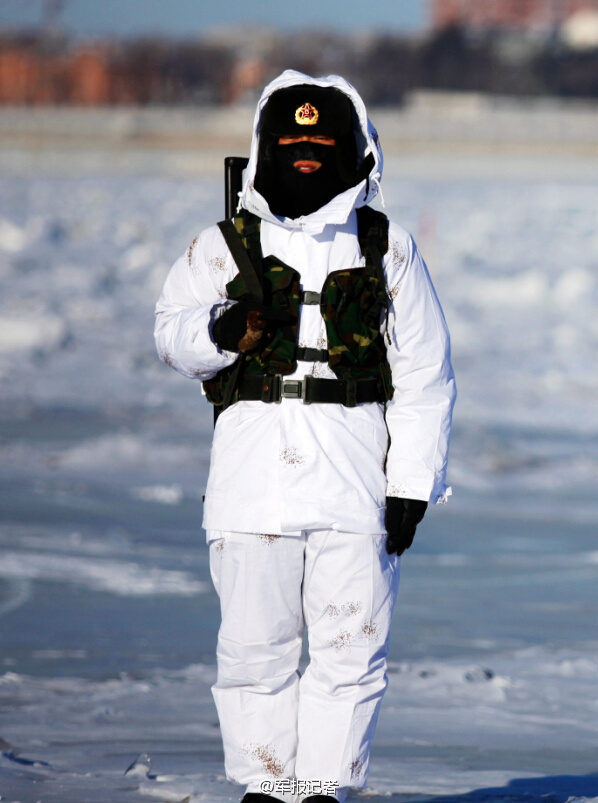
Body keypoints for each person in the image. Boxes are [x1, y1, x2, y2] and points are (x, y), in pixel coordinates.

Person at [154, 70, 456, 803]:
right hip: (251, 475)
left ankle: (322, 790)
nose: (308, 151)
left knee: (350, 649)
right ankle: (264, 786)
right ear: (265, 147)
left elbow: (425, 374)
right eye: (293, 139)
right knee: (256, 648)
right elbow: (171, 331)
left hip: (355, 471)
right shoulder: (226, 244)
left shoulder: (389, 248)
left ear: (356, 148)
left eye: (324, 139)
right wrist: (221, 330)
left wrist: (410, 486)